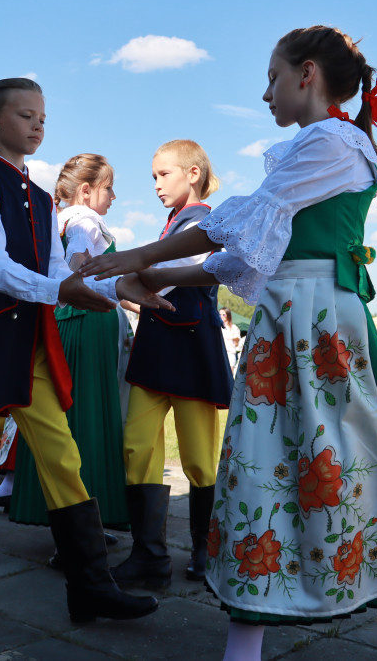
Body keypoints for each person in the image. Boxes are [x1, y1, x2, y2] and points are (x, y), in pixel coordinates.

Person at [81, 26, 377, 661]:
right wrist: (156, 273)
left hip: (319, 327)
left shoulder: (335, 143)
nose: (265, 93)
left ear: (307, 73)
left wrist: (142, 254)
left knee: (330, 473)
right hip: (294, 320)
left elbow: (237, 223)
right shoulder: (320, 149)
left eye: (272, 77)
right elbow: (249, 253)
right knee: (288, 471)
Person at [0, 78, 163, 639]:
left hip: (27, 348)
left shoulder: (42, 198)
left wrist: (119, 290)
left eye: (42, 116)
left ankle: (89, 586)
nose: (38, 125)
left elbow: (52, 270)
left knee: (63, 459)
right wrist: (60, 292)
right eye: (26, 115)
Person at [111, 139, 234, 591]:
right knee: (137, 446)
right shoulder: (173, 224)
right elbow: (137, 276)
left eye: (163, 174)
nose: (156, 185)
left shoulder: (207, 221)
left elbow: (185, 267)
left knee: (200, 458)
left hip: (189, 348)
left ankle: (207, 549)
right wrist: (131, 277)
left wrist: (134, 272)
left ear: (193, 174)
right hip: (158, 346)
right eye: (153, 177)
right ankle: (149, 554)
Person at [9, 153, 131, 544]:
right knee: (88, 421)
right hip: (87, 325)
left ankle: (67, 521)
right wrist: (82, 270)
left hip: (65, 324)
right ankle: (85, 527)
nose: (113, 196)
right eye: (108, 187)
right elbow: (79, 257)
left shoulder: (54, 219)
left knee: (65, 422)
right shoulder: (83, 219)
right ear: (85, 190)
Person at [220, 308, 242, 373]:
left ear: (228, 315)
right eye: (219, 314)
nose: (221, 316)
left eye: (223, 315)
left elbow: (236, 343)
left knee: (228, 374)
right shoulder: (217, 327)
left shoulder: (234, 328)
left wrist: (230, 338)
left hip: (229, 354)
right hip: (218, 353)